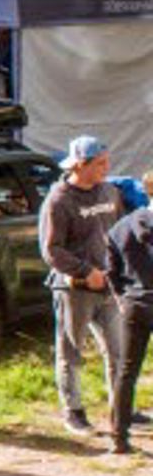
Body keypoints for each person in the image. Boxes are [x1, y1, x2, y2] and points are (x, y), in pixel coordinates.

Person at [45, 138, 125, 437]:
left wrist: (117, 269)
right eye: (100, 163)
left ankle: (121, 406)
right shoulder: (59, 200)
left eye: (107, 161)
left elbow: (116, 232)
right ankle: (73, 411)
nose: (107, 168)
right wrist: (84, 271)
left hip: (108, 287)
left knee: (119, 351)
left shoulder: (109, 192)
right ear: (81, 164)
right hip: (73, 289)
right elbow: (51, 250)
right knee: (71, 350)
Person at [107, 188, 153, 455]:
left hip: (134, 304)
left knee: (126, 371)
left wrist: (122, 299)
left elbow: (111, 270)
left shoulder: (121, 227)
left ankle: (118, 435)